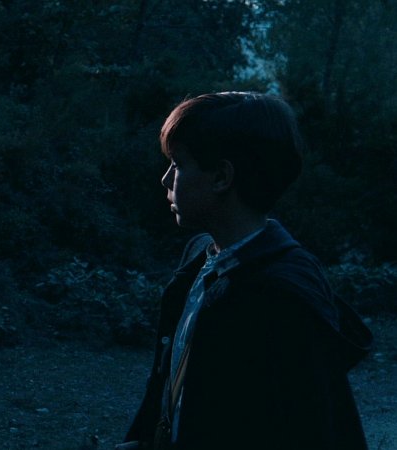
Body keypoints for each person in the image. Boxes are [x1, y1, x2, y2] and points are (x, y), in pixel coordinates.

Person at [119, 92, 372, 450]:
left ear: (221, 177)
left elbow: (307, 428)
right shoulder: (200, 257)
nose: (165, 179)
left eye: (178, 164)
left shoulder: (281, 297)